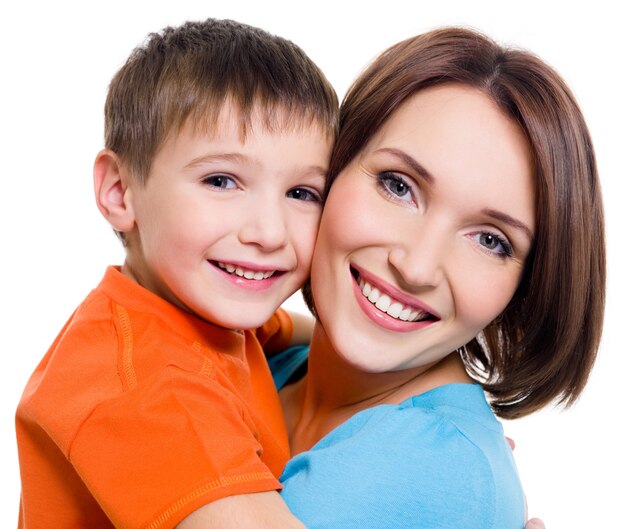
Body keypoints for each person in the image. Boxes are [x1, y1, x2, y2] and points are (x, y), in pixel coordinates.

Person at [267, 27, 604, 528]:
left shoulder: (433, 475)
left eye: (490, 240)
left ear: (525, 288)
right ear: (330, 168)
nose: (416, 266)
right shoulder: (258, 362)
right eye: (398, 185)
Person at [15, 18, 337, 528]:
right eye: (222, 180)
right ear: (121, 191)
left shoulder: (194, 311)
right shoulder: (150, 389)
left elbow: (294, 333)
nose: (270, 232)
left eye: (302, 193)